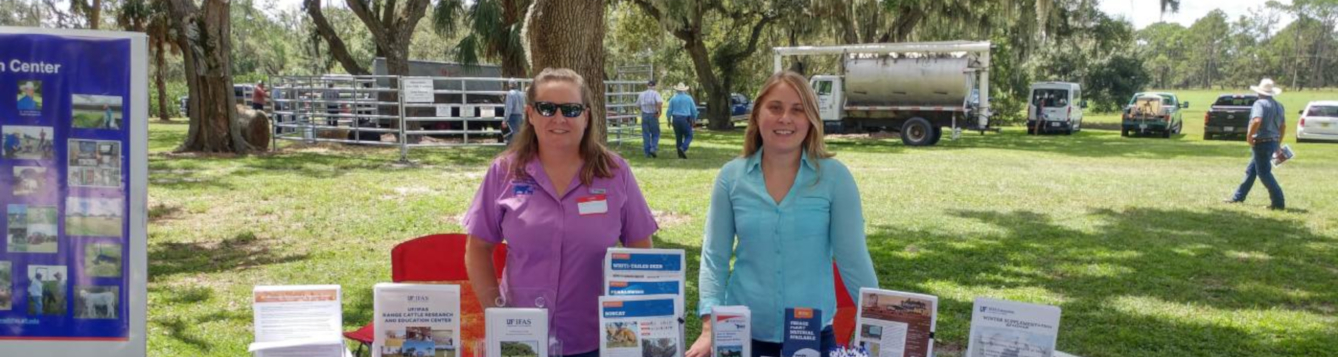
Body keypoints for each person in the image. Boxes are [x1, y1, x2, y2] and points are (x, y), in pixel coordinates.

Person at [463, 68, 659, 357]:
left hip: (596, 340)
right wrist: (497, 312)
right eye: (546, 108)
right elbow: (478, 248)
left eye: (570, 109)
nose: (558, 118)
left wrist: (633, 321)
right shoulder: (504, 172)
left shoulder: (615, 173)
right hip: (522, 341)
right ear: (530, 114)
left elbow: (641, 249)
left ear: (586, 116)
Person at [688, 71, 879, 357]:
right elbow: (714, 256)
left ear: (811, 119)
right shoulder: (731, 178)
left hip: (812, 339)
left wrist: (880, 323)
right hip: (741, 337)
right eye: (775, 108)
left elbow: (853, 258)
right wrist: (708, 326)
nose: (785, 118)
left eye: (797, 110)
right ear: (757, 115)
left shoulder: (835, 178)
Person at [1226, 78, 1287, 210]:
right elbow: (1283, 126)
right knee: (1251, 171)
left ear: (1260, 92)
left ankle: (1278, 202)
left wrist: (1249, 136)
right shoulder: (1279, 106)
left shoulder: (1259, 104)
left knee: (1264, 173)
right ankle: (1238, 197)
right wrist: (1278, 142)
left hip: (1261, 143)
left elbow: (1257, 120)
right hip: (1272, 142)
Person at [666, 83, 700, 159]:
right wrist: (694, 119)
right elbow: (694, 110)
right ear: (684, 90)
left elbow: (669, 111)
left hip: (675, 119)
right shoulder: (688, 98)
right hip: (685, 119)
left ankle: (680, 153)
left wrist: (668, 120)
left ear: (677, 90)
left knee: (678, 136)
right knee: (689, 135)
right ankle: (683, 148)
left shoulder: (673, 98)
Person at [635, 80, 664, 158]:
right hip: (653, 114)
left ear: (647, 86)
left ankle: (647, 153)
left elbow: (637, 105)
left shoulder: (642, 94)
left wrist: (642, 109)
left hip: (644, 115)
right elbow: (659, 102)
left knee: (646, 134)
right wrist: (659, 111)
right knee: (656, 133)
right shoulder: (655, 93)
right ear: (654, 86)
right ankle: (653, 148)